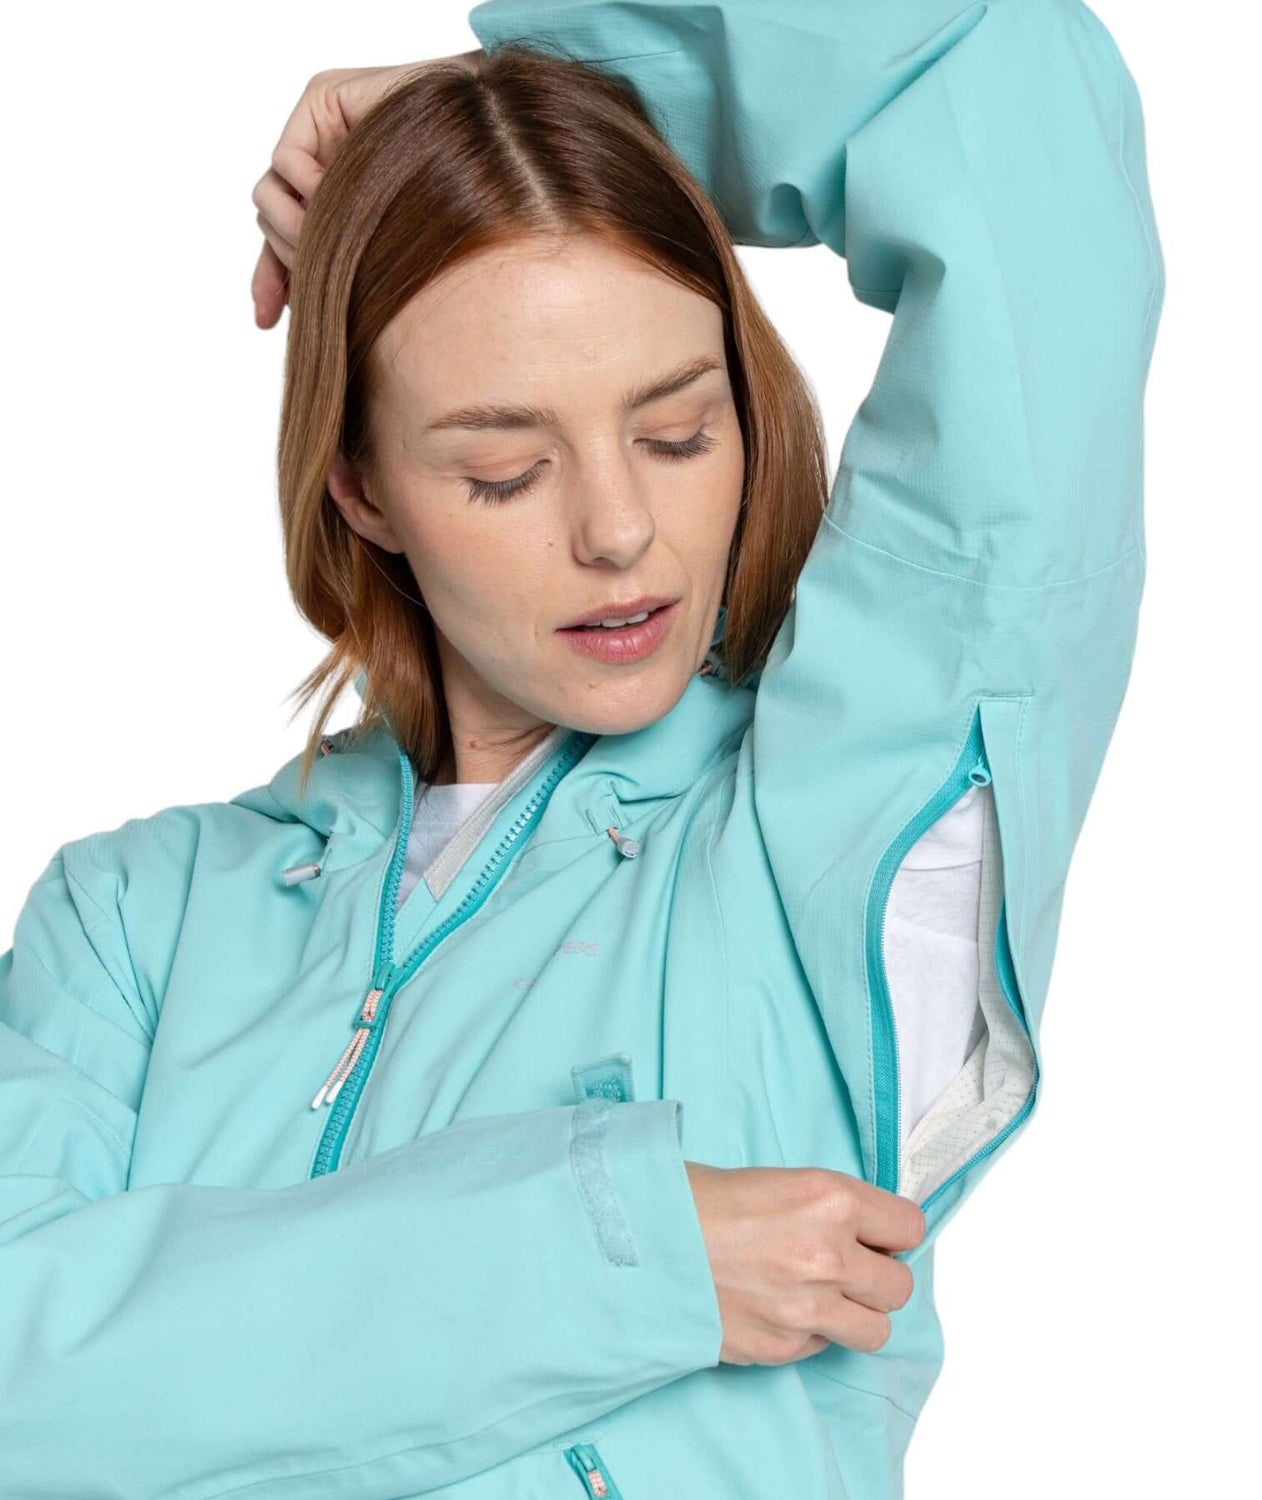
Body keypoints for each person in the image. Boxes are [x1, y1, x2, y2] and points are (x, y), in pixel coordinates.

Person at [0, 1, 1162, 1495]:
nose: (620, 532)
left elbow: (1006, 100)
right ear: (361, 486)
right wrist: (616, 1250)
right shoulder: (136, 921)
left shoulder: (821, 846)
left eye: (679, 436)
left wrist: (563, 109)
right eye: (504, 470)